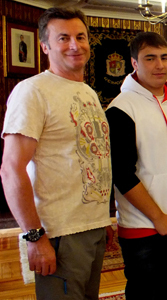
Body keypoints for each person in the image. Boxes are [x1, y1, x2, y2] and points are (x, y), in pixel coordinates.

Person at [0, 7, 113, 299]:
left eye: (81, 37)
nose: (75, 45)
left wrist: (101, 221)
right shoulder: (33, 91)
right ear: (45, 46)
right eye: (63, 38)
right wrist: (34, 236)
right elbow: (11, 169)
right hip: (59, 233)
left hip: (91, 227)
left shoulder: (87, 92)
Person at [106, 31, 167, 299]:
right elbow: (121, 174)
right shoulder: (121, 108)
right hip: (142, 227)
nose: (160, 65)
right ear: (134, 63)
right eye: (150, 58)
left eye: (164, 57)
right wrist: (157, 217)